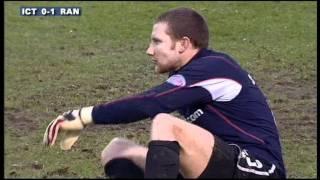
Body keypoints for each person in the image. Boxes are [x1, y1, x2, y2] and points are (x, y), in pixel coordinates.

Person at [43, 7, 286, 178]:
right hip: (222, 164)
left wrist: (83, 117)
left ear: (183, 44)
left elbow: (150, 103)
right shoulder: (191, 73)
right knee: (117, 150)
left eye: (157, 41)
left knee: (165, 123)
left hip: (258, 169)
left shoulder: (214, 67)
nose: (149, 51)